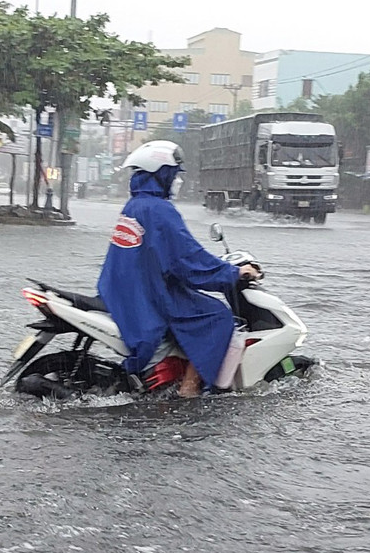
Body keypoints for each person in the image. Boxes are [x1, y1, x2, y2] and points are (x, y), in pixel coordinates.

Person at [97, 140, 260, 397]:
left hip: (124, 289)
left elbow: (172, 255)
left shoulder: (135, 205)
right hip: (151, 294)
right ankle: (189, 388)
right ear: (161, 174)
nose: (177, 181)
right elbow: (188, 260)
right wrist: (233, 272)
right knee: (217, 315)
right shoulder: (160, 210)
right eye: (174, 174)